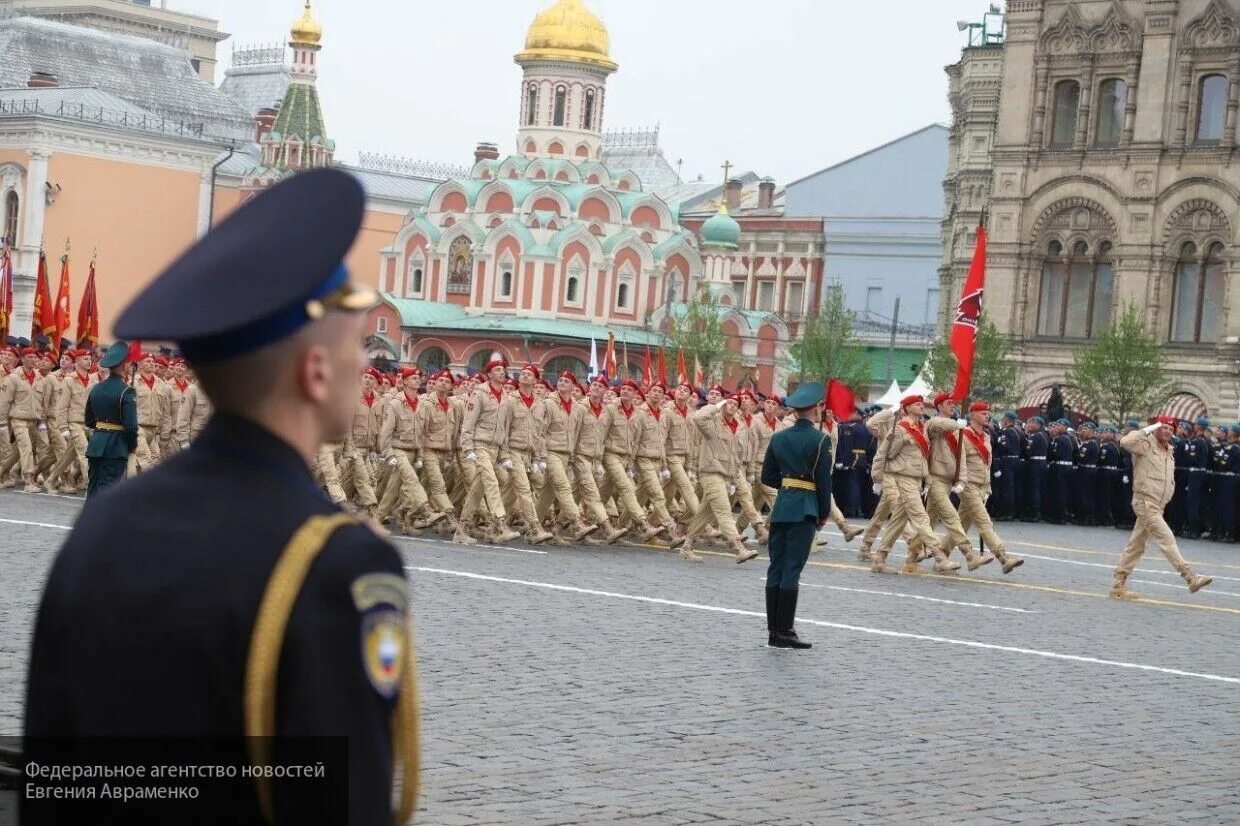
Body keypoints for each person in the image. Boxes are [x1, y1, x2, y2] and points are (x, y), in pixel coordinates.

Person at [23, 170, 418, 824]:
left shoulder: (103, 528)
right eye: (357, 342)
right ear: (314, 372)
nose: (365, 365)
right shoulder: (335, 568)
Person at [760, 381, 832, 650]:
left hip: (781, 508)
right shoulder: (822, 440)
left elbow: (767, 476)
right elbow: (824, 483)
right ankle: (786, 631)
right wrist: (822, 513)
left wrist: (789, 488)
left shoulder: (778, 437)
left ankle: (773, 632)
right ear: (815, 409)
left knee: (775, 569)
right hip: (805, 510)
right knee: (792, 570)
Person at [1110, 416, 1213, 600]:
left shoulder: (1169, 450)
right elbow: (1125, 441)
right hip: (1145, 502)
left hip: (1158, 505)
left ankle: (1118, 584)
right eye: (1164, 427)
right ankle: (1191, 577)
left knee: (1137, 546)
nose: (1167, 431)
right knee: (1167, 539)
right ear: (1156, 428)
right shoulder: (1146, 445)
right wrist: (1149, 428)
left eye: (1170, 429)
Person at [80, 342, 137, 497]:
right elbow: (131, 426)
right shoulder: (127, 390)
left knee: (93, 486)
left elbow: (89, 420)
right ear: (124, 366)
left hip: (96, 443)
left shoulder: (96, 388)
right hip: (116, 446)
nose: (130, 367)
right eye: (129, 364)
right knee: (108, 488)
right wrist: (132, 446)